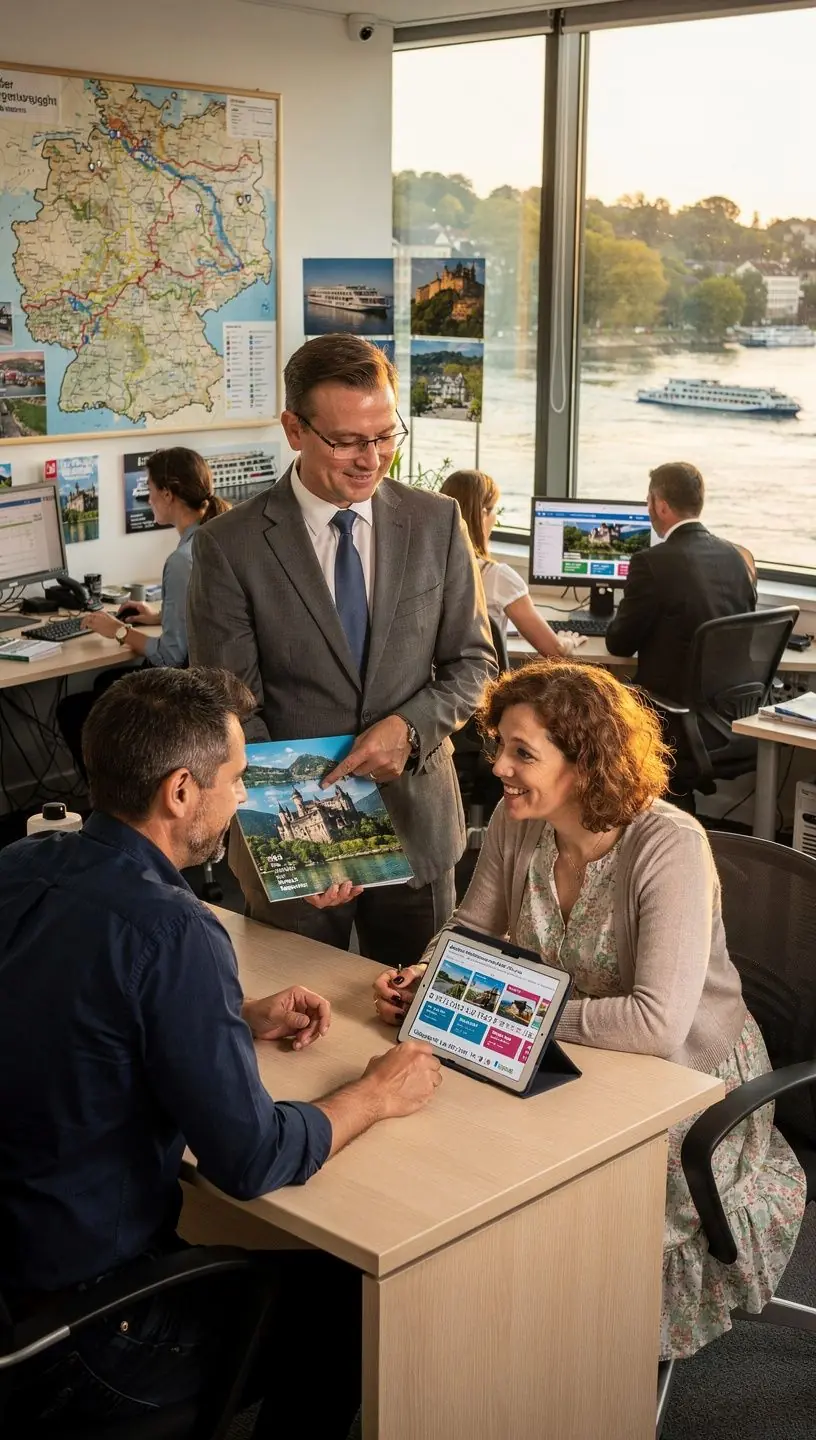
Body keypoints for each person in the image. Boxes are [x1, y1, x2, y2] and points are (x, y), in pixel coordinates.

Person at [0, 666, 442, 1433]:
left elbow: (60, 1006)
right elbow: (251, 1159)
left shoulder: (18, 866)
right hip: (83, 1338)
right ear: (180, 791)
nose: (242, 798)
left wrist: (226, 1013)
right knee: (346, 1298)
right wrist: (375, 1093)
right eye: (235, 779)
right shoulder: (175, 928)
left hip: (13, 1279)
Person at [372, 661, 806, 1362]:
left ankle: (588, 1349)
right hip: (572, 1047)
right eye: (499, 745)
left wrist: (511, 1006)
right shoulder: (520, 824)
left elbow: (655, 1024)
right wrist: (426, 973)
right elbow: (469, 932)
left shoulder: (666, 845)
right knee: (446, 1132)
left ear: (585, 762)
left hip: (681, 1078)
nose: (498, 767)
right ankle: (494, 1322)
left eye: (522, 753)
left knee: (551, 1175)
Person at [187, 334, 496, 966]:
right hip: (294, 829)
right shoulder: (229, 546)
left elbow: (474, 665)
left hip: (419, 824)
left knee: (414, 1026)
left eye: (385, 435)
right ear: (294, 429)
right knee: (300, 1027)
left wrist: (409, 730)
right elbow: (229, 704)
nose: (372, 458)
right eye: (348, 440)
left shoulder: (436, 522)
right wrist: (315, 834)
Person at [57, 447, 229, 777]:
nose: (147, 499)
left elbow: (170, 656)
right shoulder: (216, 536)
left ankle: (115, 802)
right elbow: (207, 613)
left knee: (74, 709)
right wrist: (159, 616)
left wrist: (118, 631)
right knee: (105, 680)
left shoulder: (182, 560)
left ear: (168, 494)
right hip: (216, 682)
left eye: (149, 491)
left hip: (188, 694)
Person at [605, 460, 756, 702]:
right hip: (728, 708)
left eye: (649, 502)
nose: (648, 509)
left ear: (662, 507)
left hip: (669, 709)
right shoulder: (736, 556)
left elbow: (619, 645)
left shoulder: (651, 563)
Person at [439, 469, 586, 659]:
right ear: (482, 514)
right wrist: (568, 641)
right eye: (494, 510)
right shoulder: (497, 576)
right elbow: (554, 651)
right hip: (482, 684)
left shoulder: (426, 566)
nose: (496, 519)